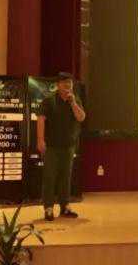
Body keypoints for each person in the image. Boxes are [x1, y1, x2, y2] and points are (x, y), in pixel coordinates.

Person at [37, 72, 86, 221]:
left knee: (66, 177)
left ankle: (65, 207)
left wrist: (73, 103)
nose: (67, 85)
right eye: (64, 83)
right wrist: (40, 140)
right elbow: (41, 120)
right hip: (51, 146)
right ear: (58, 85)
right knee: (50, 177)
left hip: (68, 146)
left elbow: (81, 117)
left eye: (69, 83)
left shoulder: (75, 100)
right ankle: (48, 208)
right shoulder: (48, 101)